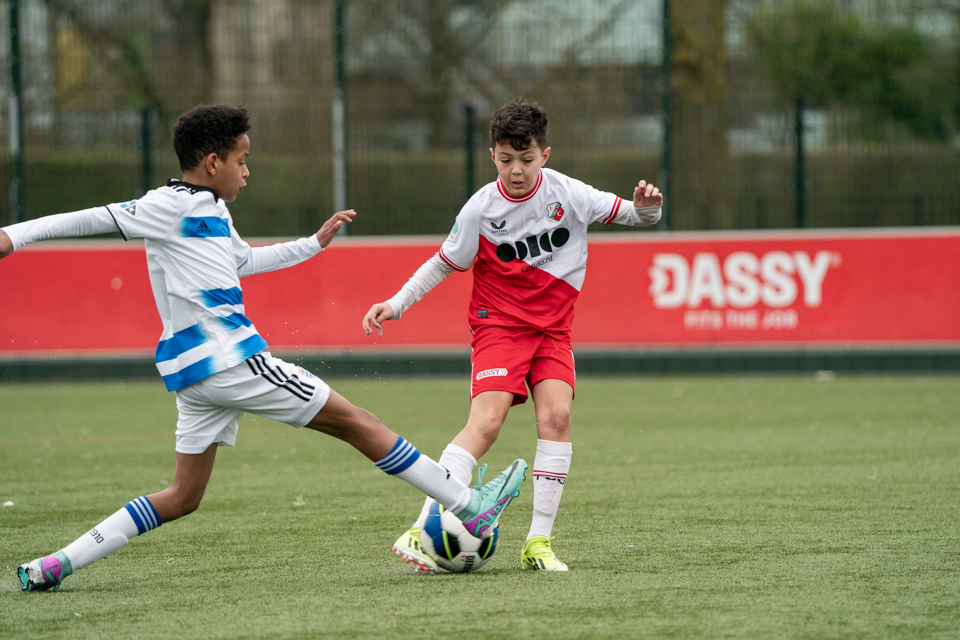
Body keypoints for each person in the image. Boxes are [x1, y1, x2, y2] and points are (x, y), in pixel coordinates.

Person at [1, 104, 526, 592]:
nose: (247, 171)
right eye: (241, 159)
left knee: (182, 496)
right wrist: (11, 235)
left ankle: (57, 564)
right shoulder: (164, 205)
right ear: (212, 162)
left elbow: (243, 262)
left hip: (195, 378)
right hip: (232, 359)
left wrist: (311, 245)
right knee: (358, 422)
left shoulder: (212, 210)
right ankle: (466, 504)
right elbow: (84, 219)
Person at [362, 97, 662, 573]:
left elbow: (637, 215)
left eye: (526, 159)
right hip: (499, 324)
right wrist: (396, 303)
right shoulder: (481, 209)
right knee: (487, 423)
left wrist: (648, 208)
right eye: (506, 160)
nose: (516, 170)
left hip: (554, 330)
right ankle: (424, 528)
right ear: (492, 155)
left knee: (558, 418)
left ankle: (538, 543)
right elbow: (444, 262)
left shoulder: (570, 194)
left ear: (545, 154)